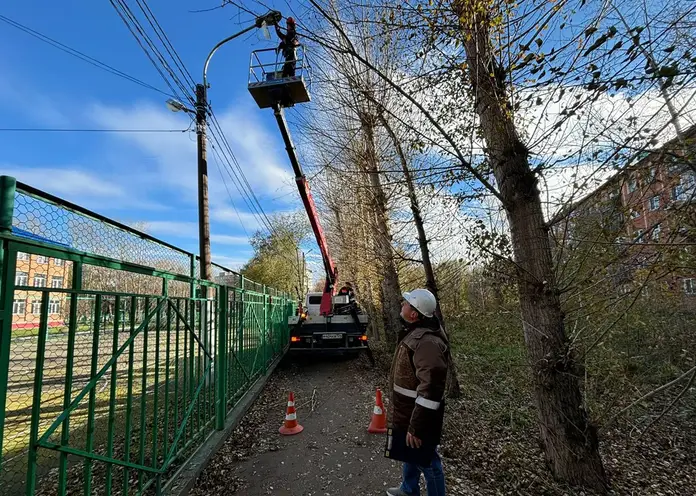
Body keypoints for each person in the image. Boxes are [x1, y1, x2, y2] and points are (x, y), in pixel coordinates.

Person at [387, 288, 449, 496]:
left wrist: (417, 427)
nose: (402, 305)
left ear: (414, 313)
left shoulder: (427, 342)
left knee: (428, 462)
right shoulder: (416, 332)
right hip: (408, 410)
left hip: (419, 415)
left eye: (406, 303)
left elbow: (431, 389)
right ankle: (408, 489)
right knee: (410, 453)